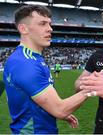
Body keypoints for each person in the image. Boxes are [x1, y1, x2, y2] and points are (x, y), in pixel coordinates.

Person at [3, 5, 90, 134]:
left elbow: (32, 102)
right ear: (23, 28)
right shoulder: (25, 63)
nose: (50, 29)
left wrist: (58, 113)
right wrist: (92, 89)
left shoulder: (31, 58)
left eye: (49, 24)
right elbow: (60, 109)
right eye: (42, 24)